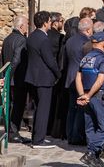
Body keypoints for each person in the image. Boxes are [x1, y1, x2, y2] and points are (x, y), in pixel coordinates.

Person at [75, 31, 104, 167]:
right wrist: (89, 95)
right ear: (103, 43)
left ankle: (95, 159)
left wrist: (83, 94)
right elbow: (100, 80)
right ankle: (91, 153)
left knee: (91, 128)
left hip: (88, 97)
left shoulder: (85, 58)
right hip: (99, 96)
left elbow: (78, 78)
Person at [25, 11, 61, 149]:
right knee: (43, 109)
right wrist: (58, 74)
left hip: (33, 77)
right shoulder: (43, 39)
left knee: (38, 108)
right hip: (44, 78)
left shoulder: (32, 36)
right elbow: (50, 60)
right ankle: (38, 140)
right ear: (46, 23)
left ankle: (36, 137)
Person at [63, 17, 93, 145]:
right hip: (81, 79)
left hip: (69, 77)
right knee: (81, 109)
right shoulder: (87, 43)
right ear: (87, 29)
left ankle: (70, 135)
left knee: (72, 109)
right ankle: (77, 136)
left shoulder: (69, 40)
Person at [1, 15, 30, 143]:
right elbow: (16, 60)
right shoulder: (21, 40)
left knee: (11, 106)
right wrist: (9, 76)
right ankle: (13, 133)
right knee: (17, 107)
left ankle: (11, 131)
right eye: (27, 24)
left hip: (10, 78)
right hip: (17, 78)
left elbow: (2, 59)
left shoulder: (7, 39)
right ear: (22, 26)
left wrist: (4, 76)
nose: (28, 27)